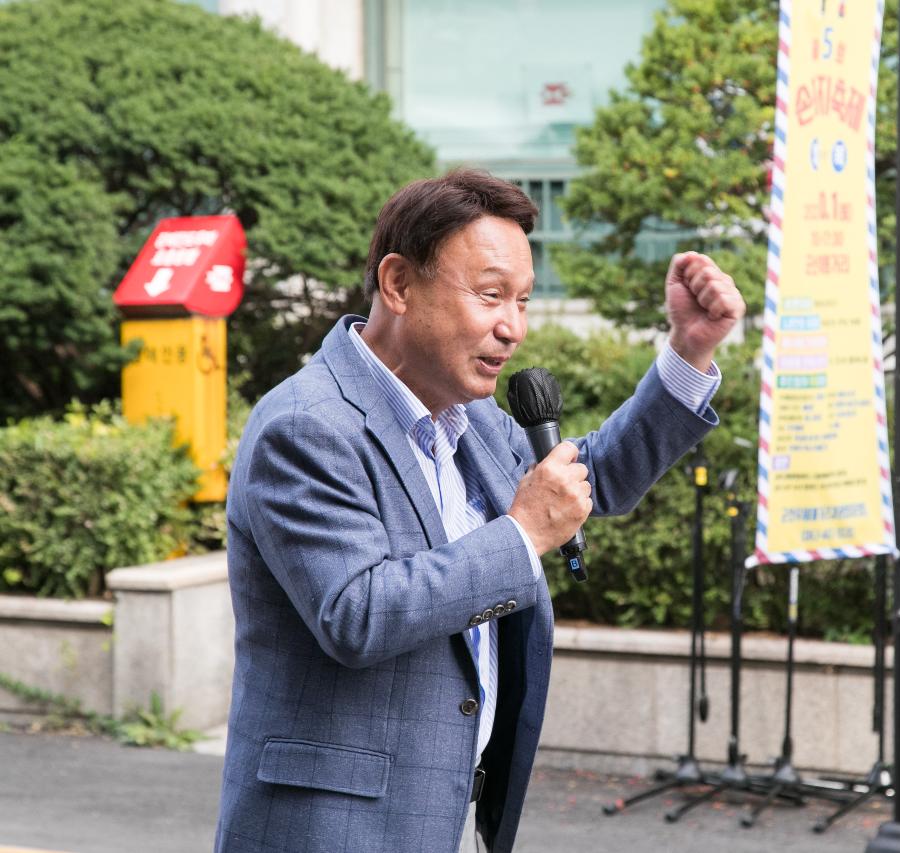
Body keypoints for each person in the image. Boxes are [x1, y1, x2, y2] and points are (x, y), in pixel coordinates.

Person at [214, 169, 746, 853]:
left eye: (523, 300)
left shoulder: (474, 420)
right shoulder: (307, 424)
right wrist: (522, 533)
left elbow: (583, 481)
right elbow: (356, 612)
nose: (513, 327)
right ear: (399, 284)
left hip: (452, 821)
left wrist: (690, 350)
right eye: (492, 294)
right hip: (334, 830)